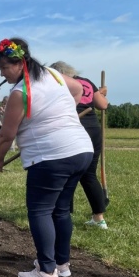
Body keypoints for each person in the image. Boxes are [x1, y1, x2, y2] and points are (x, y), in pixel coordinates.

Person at [0, 38, 93, 277]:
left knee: (40, 210)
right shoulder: (53, 74)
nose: (2, 73)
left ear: (18, 62)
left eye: (4, 67)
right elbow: (78, 90)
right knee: (60, 210)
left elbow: (6, 134)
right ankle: (62, 264)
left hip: (51, 157)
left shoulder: (20, 92)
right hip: (81, 150)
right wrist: (62, 114)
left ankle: (47, 272)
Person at [50, 61, 109, 229]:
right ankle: (99, 219)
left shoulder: (59, 83)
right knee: (89, 175)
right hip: (93, 129)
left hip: (73, 129)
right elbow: (103, 104)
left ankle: (63, 214)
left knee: (66, 173)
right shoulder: (87, 81)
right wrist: (101, 93)